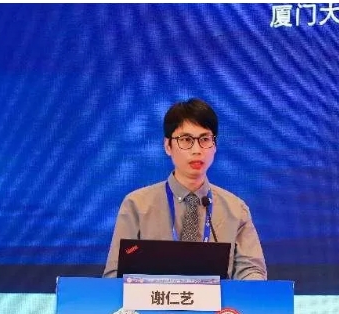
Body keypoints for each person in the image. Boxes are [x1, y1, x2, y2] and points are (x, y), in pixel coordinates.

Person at [103, 98, 267, 280]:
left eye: (205, 139)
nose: (197, 150)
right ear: (168, 146)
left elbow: (252, 271)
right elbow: (114, 275)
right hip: (155, 298)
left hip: (217, 299)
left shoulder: (236, 209)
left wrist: (251, 286)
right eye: (186, 140)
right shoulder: (137, 205)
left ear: (215, 146)